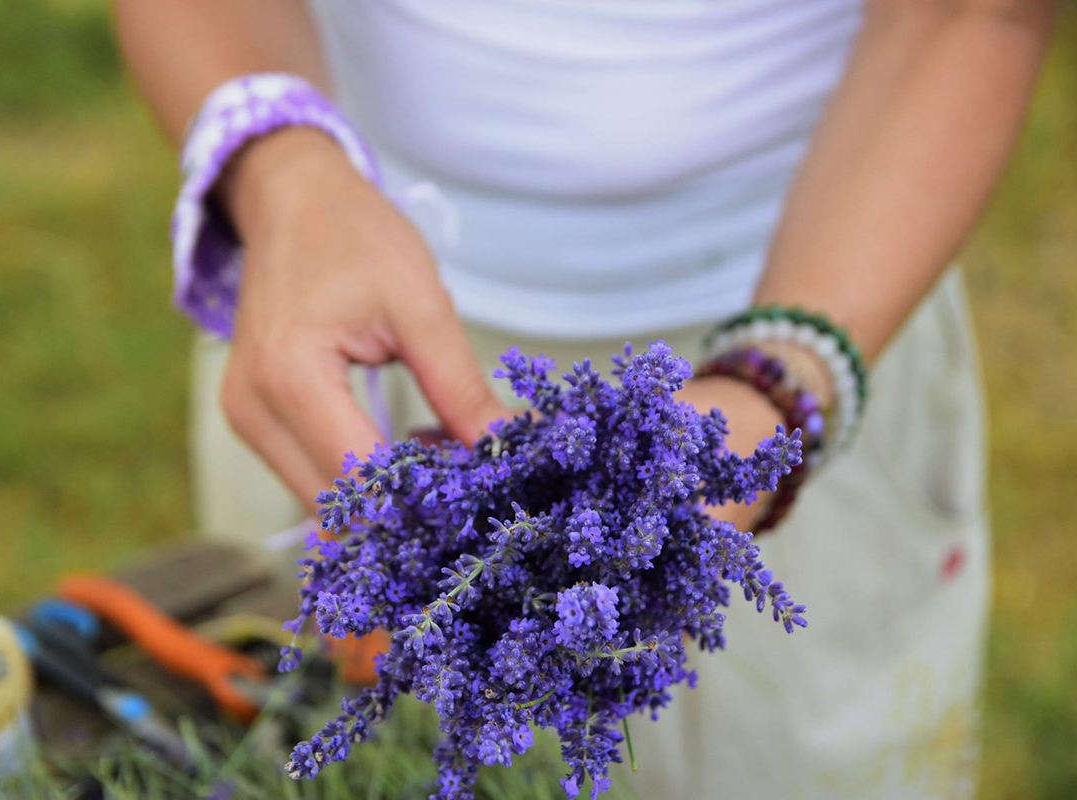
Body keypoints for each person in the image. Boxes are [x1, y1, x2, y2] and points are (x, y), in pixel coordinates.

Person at [112, 1, 1056, 797]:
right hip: (338, 319)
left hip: (836, 279)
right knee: (318, 732)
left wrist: (778, 381)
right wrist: (282, 170)